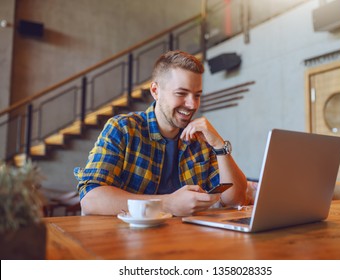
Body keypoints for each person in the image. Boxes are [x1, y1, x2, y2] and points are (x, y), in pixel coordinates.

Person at [74, 50, 247, 216]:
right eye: (181, 93)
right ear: (155, 91)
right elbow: (91, 200)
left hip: (187, 242)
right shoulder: (123, 129)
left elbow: (235, 200)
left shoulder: (200, 140)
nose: (192, 104)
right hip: (126, 241)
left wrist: (219, 146)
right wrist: (167, 204)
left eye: (197, 95)